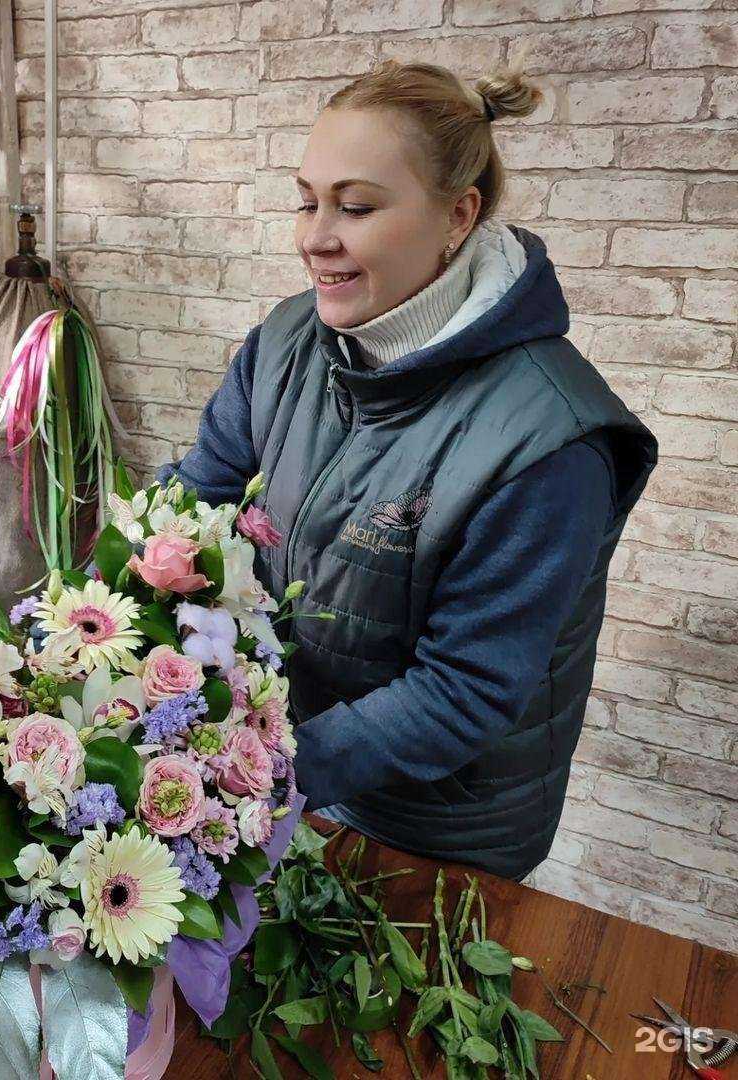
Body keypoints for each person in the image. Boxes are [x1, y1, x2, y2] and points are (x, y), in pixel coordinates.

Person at [160, 59, 658, 881]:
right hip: (286, 767)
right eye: (307, 199)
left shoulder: (549, 442)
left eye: (355, 206)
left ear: (458, 215)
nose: (316, 236)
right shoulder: (287, 344)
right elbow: (194, 504)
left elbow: (462, 692)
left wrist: (256, 773)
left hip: (438, 829)